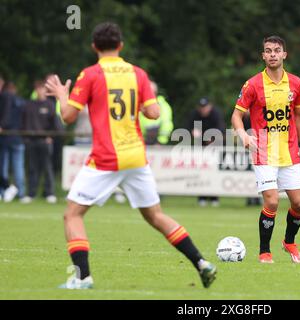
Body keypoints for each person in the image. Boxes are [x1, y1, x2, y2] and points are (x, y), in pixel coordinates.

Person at [45, 22, 216, 289]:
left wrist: (62, 96)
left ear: (94, 47)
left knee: (72, 215)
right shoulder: (138, 74)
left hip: (106, 157)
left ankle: (82, 277)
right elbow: (154, 113)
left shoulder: (90, 74)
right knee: (156, 216)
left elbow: (67, 117)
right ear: (121, 46)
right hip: (136, 156)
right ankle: (202, 263)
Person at [231, 36, 300, 264]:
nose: (273, 54)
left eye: (277, 50)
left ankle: (289, 242)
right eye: (268, 51)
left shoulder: (296, 84)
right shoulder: (253, 84)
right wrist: (243, 135)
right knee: (272, 201)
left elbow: (299, 115)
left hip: (289, 151)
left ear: (284, 54)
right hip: (263, 151)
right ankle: (264, 251)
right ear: (263, 56)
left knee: (299, 203)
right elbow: (236, 116)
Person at [21, 80, 61, 204]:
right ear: (35, 90)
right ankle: (31, 194)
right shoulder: (29, 105)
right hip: (31, 140)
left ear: (45, 90)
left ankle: (50, 193)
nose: (40, 91)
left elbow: (56, 124)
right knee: (32, 168)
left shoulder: (50, 105)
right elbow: (23, 122)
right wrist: (25, 137)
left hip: (45, 141)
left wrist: (51, 136)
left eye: (42, 88)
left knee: (47, 167)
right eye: (38, 88)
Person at [187, 97, 225, 207]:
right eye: (201, 107)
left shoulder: (216, 114)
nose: (203, 109)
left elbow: (221, 130)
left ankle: (214, 198)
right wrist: (192, 131)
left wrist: (212, 138)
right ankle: (202, 197)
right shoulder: (195, 114)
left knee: (214, 172)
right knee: (201, 172)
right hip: (201, 148)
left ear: (210, 106)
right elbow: (188, 126)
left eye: (205, 107)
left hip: (215, 147)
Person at [0, 81, 26, 202]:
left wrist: (2, 126)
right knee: (18, 167)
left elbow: (6, 116)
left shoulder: (5, 97)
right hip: (19, 137)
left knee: (3, 166)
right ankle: (20, 193)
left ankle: (4, 190)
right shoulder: (21, 101)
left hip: (6, 137)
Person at [139, 80, 174, 145]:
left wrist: (160, 141)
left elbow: (166, 125)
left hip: (156, 144)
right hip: (140, 143)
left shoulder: (163, 106)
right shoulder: (139, 104)